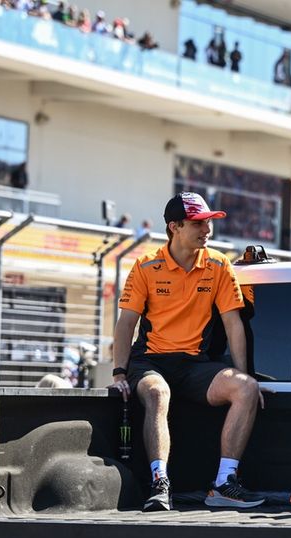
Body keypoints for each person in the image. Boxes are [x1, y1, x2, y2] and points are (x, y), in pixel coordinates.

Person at [111, 192, 264, 512]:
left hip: (196, 365)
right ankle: (159, 484)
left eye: (208, 222)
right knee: (157, 392)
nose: (206, 229)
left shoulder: (219, 264)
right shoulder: (146, 266)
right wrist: (119, 372)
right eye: (198, 223)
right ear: (174, 227)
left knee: (246, 388)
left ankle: (224, 484)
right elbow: (126, 324)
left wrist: (244, 373)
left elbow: (234, 325)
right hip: (150, 361)